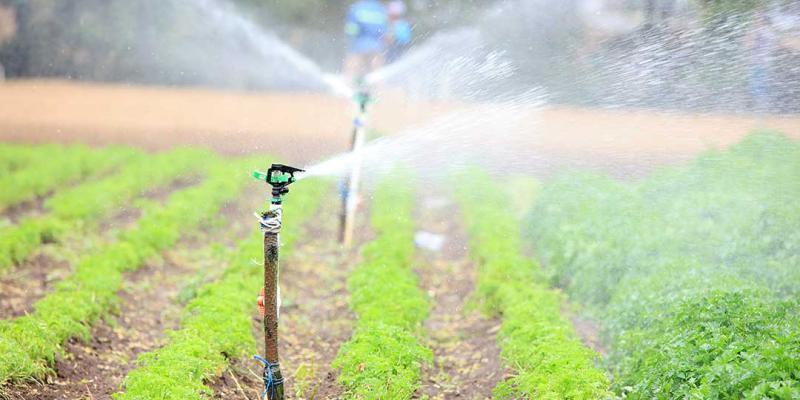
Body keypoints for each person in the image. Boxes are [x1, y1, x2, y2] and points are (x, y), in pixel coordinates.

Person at [344, 0, 389, 81]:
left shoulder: (357, 8)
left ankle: (349, 87)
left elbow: (351, 30)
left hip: (359, 45)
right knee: (377, 71)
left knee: (352, 69)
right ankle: (379, 89)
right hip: (377, 46)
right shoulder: (380, 8)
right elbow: (384, 32)